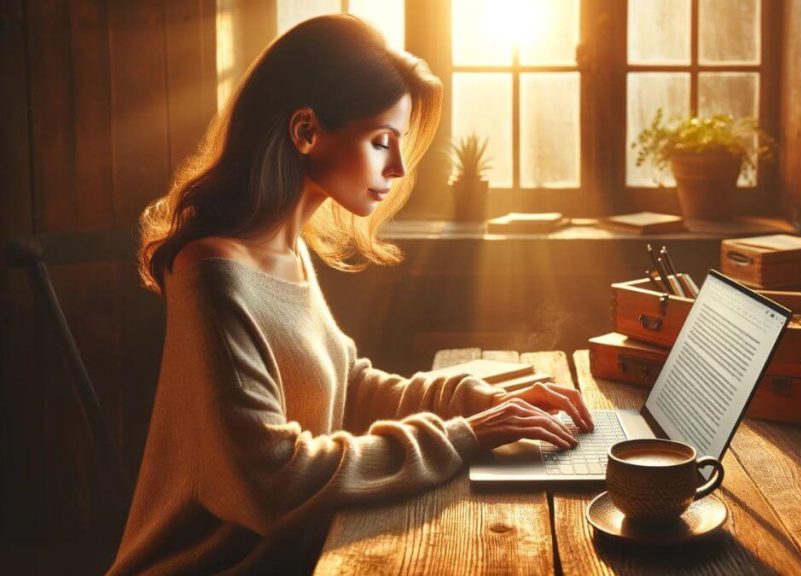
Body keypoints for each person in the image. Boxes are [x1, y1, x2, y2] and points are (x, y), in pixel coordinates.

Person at [108, 14, 593, 575]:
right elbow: (271, 483)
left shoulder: (286, 251)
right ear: (306, 131)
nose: (400, 166)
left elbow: (347, 388)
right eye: (381, 141)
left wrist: (474, 398)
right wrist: (464, 436)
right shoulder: (212, 274)